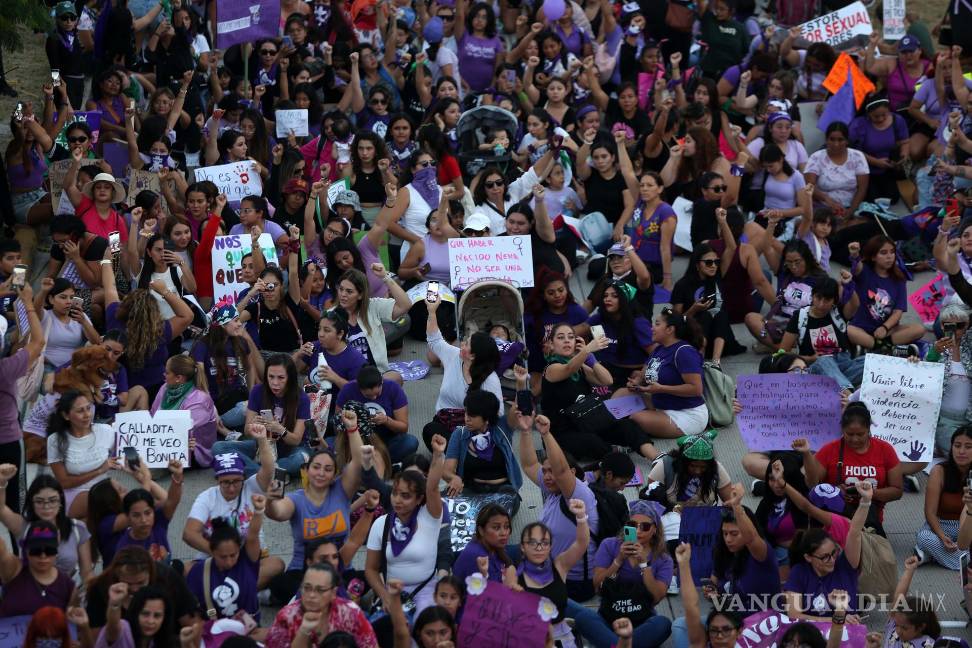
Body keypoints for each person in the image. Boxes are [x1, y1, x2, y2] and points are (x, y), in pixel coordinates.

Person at [265, 412, 363, 604]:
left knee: (364, 581)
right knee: (284, 586)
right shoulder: (296, 498)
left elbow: (359, 463)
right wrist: (270, 501)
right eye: (316, 467)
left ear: (335, 473)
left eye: (328, 469)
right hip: (303, 570)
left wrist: (352, 428)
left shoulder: (342, 490)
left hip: (341, 567)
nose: (321, 473)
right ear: (307, 470)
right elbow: (277, 512)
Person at [539, 323, 654, 460]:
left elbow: (607, 381)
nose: (567, 340)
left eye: (571, 337)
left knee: (627, 426)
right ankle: (615, 454)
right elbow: (568, 369)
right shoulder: (551, 369)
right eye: (560, 337)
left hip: (587, 422)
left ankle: (657, 457)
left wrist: (591, 359)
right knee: (592, 443)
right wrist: (586, 351)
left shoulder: (580, 366)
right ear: (551, 344)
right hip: (563, 431)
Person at [517, 412, 600, 602]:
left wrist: (546, 434)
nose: (546, 476)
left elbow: (561, 470)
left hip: (573, 583)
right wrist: (525, 431)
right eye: (545, 471)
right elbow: (529, 464)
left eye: (551, 471)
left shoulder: (579, 494)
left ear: (572, 472)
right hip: (547, 567)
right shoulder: (551, 488)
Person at [365, 432, 446, 616]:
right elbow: (370, 569)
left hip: (426, 592)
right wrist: (384, 595)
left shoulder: (430, 517)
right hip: (391, 594)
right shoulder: (381, 524)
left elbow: (432, 487)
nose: (398, 500)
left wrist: (438, 455)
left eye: (406, 496)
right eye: (395, 493)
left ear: (419, 499)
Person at [183, 446, 284, 590]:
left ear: (243, 477)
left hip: (249, 557)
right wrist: (221, 554)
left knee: (276, 565)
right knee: (185, 570)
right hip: (215, 559)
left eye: (236, 481)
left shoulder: (251, 487)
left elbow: (268, 469)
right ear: (217, 480)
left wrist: (262, 439)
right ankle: (243, 589)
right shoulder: (207, 497)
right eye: (226, 482)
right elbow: (189, 533)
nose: (231, 488)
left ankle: (224, 591)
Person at [799, 402, 905, 530]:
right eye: (849, 434)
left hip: (869, 517)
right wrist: (836, 492)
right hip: (836, 517)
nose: (855, 439)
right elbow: (813, 485)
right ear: (842, 430)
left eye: (860, 434)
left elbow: (897, 491)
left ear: (869, 429)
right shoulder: (830, 450)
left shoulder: (885, 449)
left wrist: (870, 493)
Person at [582, 500, 673, 647]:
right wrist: (618, 560)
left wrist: (644, 564)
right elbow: (597, 586)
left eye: (645, 526)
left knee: (663, 623)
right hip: (609, 615)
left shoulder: (663, 559)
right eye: (632, 526)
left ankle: (618, 643)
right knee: (583, 618)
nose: (637, 531)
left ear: (655, 529)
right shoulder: (610, 545)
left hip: (642, 618)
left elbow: (656, 597)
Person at [211, 354, 312, 477]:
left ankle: (259, 471)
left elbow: (296, 440)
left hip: (291, 448)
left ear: (290, 378)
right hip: (264, 444)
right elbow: (247, 430)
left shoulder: (301, 398)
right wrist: (256, 428)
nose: (275, 383)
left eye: (281, 378)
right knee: (218, 448)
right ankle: (272, 473)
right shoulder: (258, 391)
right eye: (271, 377)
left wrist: (279, 429)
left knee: (299, 460)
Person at [422, 296, 502, 447]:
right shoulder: (454, 356)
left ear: (473, 356)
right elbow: (435, 340)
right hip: (446, 421)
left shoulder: (490, 380)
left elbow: (497, 414)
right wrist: (431, 311)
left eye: (466, 343)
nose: (462, 343)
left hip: (475, 429)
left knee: (474, 446)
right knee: (430, 431)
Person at [783, 481, 869, 621]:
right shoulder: (799, 572)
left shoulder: (846, 565)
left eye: (834, 553)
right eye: (824, 557)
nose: (832, 560)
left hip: (846, 638)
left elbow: (854, 532)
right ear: (808, 557)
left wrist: (865, 501)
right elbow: (794, 615)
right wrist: (836, 620)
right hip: (812, 638)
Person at [514, 501, 593, 648]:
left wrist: (581, 516)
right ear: (522, 547)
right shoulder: (513, 577)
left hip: (562, 637)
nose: (539, 548)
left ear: (550, 547)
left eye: (544, 543)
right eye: (532, 543)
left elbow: (582, 543)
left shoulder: (559, 565)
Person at [185, 496, 266, 637]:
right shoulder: (199, 572)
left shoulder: (247, 562)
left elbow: (252, 536)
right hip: (218, 637)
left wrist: (258, 511)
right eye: (222, 557)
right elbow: (192, 612)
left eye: (233, 555)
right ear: (212, 551)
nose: (229, 561)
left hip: (250, 633)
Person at [625, 308, 708, 440]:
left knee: (635, 418)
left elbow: (696, 389)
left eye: (657, 324)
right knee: (622, 393)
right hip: (661, 405)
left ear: (670, 329)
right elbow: (643, 375)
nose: (652, 328)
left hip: (686, 414)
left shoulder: (684, 352)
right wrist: (636, 383)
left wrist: (661, 389)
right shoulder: (659, 349)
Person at [0, 468, 92, 581]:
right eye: (39, 501)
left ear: (60, 502)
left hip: (66, 593)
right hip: (31, 592)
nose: (46, 506)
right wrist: (2, 482)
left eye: (52, 500)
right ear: (31, 503)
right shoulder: (23, 526)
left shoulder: (77, 528)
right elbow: (1, 509)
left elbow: (86, 572)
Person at [779, 277, 864, 394]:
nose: (821, 304)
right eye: (818, 298)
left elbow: (855, 304)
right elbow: (782, 353)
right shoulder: (799, 317)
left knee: (871, 362)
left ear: (834, 300)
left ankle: (838, 385)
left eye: (827, 300)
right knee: (824, 360)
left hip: (844, 365)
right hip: (815, 367)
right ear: (812, 296)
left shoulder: (838, 313)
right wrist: (810, 359)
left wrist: (848, 284)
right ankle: (848, 397)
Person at [266, 562, 378, 648]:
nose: (312, 595)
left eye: (320, 590)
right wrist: (304, 631)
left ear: (333, 593)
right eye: (307, 588)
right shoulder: (286, 616)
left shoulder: (350, 612)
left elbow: (370, 645)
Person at [847, 235, 926, 350]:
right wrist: (854, 254)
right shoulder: (865, 272)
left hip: (887, 331)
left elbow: (898, 312)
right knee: (848, 330)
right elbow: (857, 266)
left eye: (892, 252)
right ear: (873, 257)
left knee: (919, 329)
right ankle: (884, 347)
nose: (889, 257)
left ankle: (872, 347)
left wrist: (885, 327)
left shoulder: (899, 279)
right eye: (883, 253)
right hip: (861, 328)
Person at [671, 241, 745, 363]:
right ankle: (700, 357)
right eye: (709, 262)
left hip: (719, 338)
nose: (714, 266)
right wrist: (692, 310)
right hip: (695, 337)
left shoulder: (717, 277)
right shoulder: (682, 285)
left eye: (716, 262)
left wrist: (722, 222)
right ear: (697, 265)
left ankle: (716, 362)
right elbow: (675, 321)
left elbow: (732, 247)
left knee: (720, 314)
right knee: (705, 315)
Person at [46, 390, 116, 518]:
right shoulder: (55, 440)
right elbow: (64, 482)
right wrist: (100, 470)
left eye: (88, 408)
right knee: (98, 503)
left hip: (104, 491)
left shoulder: (106, 431)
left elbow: (127, 451)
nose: (87, 415)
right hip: (74, 493)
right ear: (66, 416)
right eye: (80, 411)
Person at [712, 484, 781, 613]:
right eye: (725, 533)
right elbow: (715, 581)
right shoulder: (723, 552)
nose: (728, 539)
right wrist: (713, 593)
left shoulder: (762, 554)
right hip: (732, 620)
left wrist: (737, 505)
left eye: (734, 534)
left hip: (763, 623)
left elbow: (751, 538)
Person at [443, 390, 521, 503]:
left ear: (487, 417)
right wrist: (454, 478)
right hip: (471, 491)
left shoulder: (503, 428)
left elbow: (518, 407)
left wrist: (520, 383)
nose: (466, 418)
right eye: (466, 413)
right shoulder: (459, 434)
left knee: (493, 514)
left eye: (472, 415)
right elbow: (446, 471)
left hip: (502, 491)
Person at [915, 427, 972, 569]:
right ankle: (966, 562)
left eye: (968, 447)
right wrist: (941, 536)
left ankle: (932, 556)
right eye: (957, 446)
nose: (962, 451)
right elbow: (930, 512)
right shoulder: (939, 471)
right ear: (951, 447)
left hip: (968, 526)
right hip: (941, 525)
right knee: (925, 538)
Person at [335, 365, 416, 463]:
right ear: (359, 388)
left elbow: (403, 428)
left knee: (410, 442)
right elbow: (337, 423)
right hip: (357, 439)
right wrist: (354, 425)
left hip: (386, 438)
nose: (374, 398)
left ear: (381, 382)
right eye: (368, 396)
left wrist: (386, 420)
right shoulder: (348, 390)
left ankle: (380, 463)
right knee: (330, 443)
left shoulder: (393, 388)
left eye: (377, 394)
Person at [671, 543, 744, 648]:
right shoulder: (700, 644)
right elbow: (691, 606)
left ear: (739, 632)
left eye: (726, 630)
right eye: (714, 630)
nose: (719, 636)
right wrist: (683, 564)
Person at [150, 355, 218, 468]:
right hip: (166, 440)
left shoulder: (199, 400)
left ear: (178, 378)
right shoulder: (165, 388)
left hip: (194, 450)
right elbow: (153, 413)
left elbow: (184, 432)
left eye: (167, 373)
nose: (164, 375)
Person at [923, 303, 972, 454]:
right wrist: (934, 353)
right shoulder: (935, 350)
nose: (955, 330)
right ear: (942, 326)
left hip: (969, 418)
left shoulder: (970, 346)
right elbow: (922, 377)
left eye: (960, 325)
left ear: (967, 326)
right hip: (945, 421)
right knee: (958, 453)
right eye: (949, 325)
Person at [113, 460, 183, 564]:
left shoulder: (158, 522)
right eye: (136, 515)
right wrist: (146, 476)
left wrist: (177, 476)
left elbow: (172, 501)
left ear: (153, 512)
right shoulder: (125, 549)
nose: (144, 520)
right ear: (128, 517)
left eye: (148, 513)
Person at [0, 521, 75, 616]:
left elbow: (72, 625)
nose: (43, 556)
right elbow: (2, 551)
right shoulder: (15, 570)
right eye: (36, 550)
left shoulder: (67, 585)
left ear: (57, 551)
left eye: (49, 550)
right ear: (26, 550)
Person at [803, 122, 869, 220]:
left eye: (840, 140)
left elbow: (862, 188)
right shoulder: (816, 157)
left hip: (851, 207)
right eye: (832, 139)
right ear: (826, 140)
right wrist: (829, 201)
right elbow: (809, 186)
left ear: (847, 140)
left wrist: (850, 211)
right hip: (822, 208)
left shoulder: (857, 156)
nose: (836, 144)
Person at [97, 582, 179, 648]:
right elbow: (113, 626)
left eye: (157, 616)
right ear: (135, 613)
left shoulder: (159, 641)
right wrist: (115, 603)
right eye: (145, 614)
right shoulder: (123, 629)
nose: (151, 621)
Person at [451, 504, 513, 583]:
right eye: (496, 527)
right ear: (481, 531)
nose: (504, 533)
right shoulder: (478, 557)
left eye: (506, 526)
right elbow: (492, 592)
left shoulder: (493, 546)